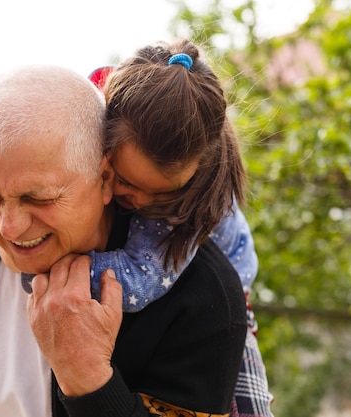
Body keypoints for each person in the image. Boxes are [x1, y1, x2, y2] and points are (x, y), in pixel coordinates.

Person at [0, 63, 247, 417]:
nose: (9, 228)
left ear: (105, 179)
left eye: (38, 198)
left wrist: (89, 380)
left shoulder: (203, 299)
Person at [84, 40, 273, 417]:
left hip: (228, 301)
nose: (133, 199)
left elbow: (138, 283)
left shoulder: (194, 205)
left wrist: (58, 265)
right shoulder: (104, 112)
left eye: (157, 194)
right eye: (122, 178)